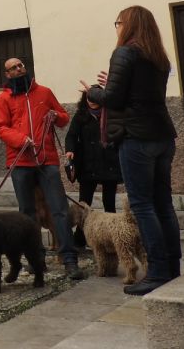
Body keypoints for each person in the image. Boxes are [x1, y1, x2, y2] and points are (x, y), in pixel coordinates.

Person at [83, 5, 181, 296]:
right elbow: (138, 93)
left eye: (118, 23)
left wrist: (92, 91)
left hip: (136, 138)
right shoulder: (158, 57)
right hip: (163, 136)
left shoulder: (124, 52)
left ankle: (158, 271)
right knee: (163, 203)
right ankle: (172, 266)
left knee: (142, 205)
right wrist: (110, 85)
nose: (117, 28)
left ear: (128, 25)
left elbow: (112, 98)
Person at [0, 57, 85, 281]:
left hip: (47, 159)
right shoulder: (2, 98)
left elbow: (64, 118)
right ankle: (37, 260)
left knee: (60, 209)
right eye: (13, 68)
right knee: (27, 214)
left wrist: (56, 116)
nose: (18, 69)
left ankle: (70, 260)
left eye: (20, 65)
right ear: (7, 74)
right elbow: (0, 127)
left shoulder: (44, 92)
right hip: (20, 161)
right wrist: (21, 139)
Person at [65, 85, 121, 248]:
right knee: (84, 203)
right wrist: (70, 151)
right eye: (89, 98)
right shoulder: (81, 115)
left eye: (95, 98)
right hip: (88, 164)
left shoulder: (111, 114)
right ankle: (80, 237)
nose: (91, 102)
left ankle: (112, 235)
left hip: (109, 162)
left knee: (109, 202)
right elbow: (71, 136)